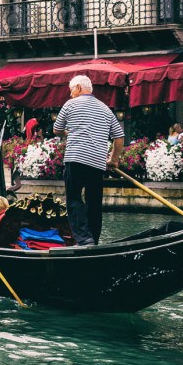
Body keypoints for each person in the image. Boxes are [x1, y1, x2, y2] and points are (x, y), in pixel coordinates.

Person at [53, 74, 124, 247]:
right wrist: (113, 160)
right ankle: (94, 240)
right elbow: (119, 137)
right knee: (94, 202)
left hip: (75, 158)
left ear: (77, 88)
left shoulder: (70, 104)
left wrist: (67, 133)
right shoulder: (105, 109)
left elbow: (56, 129)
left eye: (71, 91)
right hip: (97, 162)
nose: (70, 95)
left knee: (74, 198)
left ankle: (84, 239)